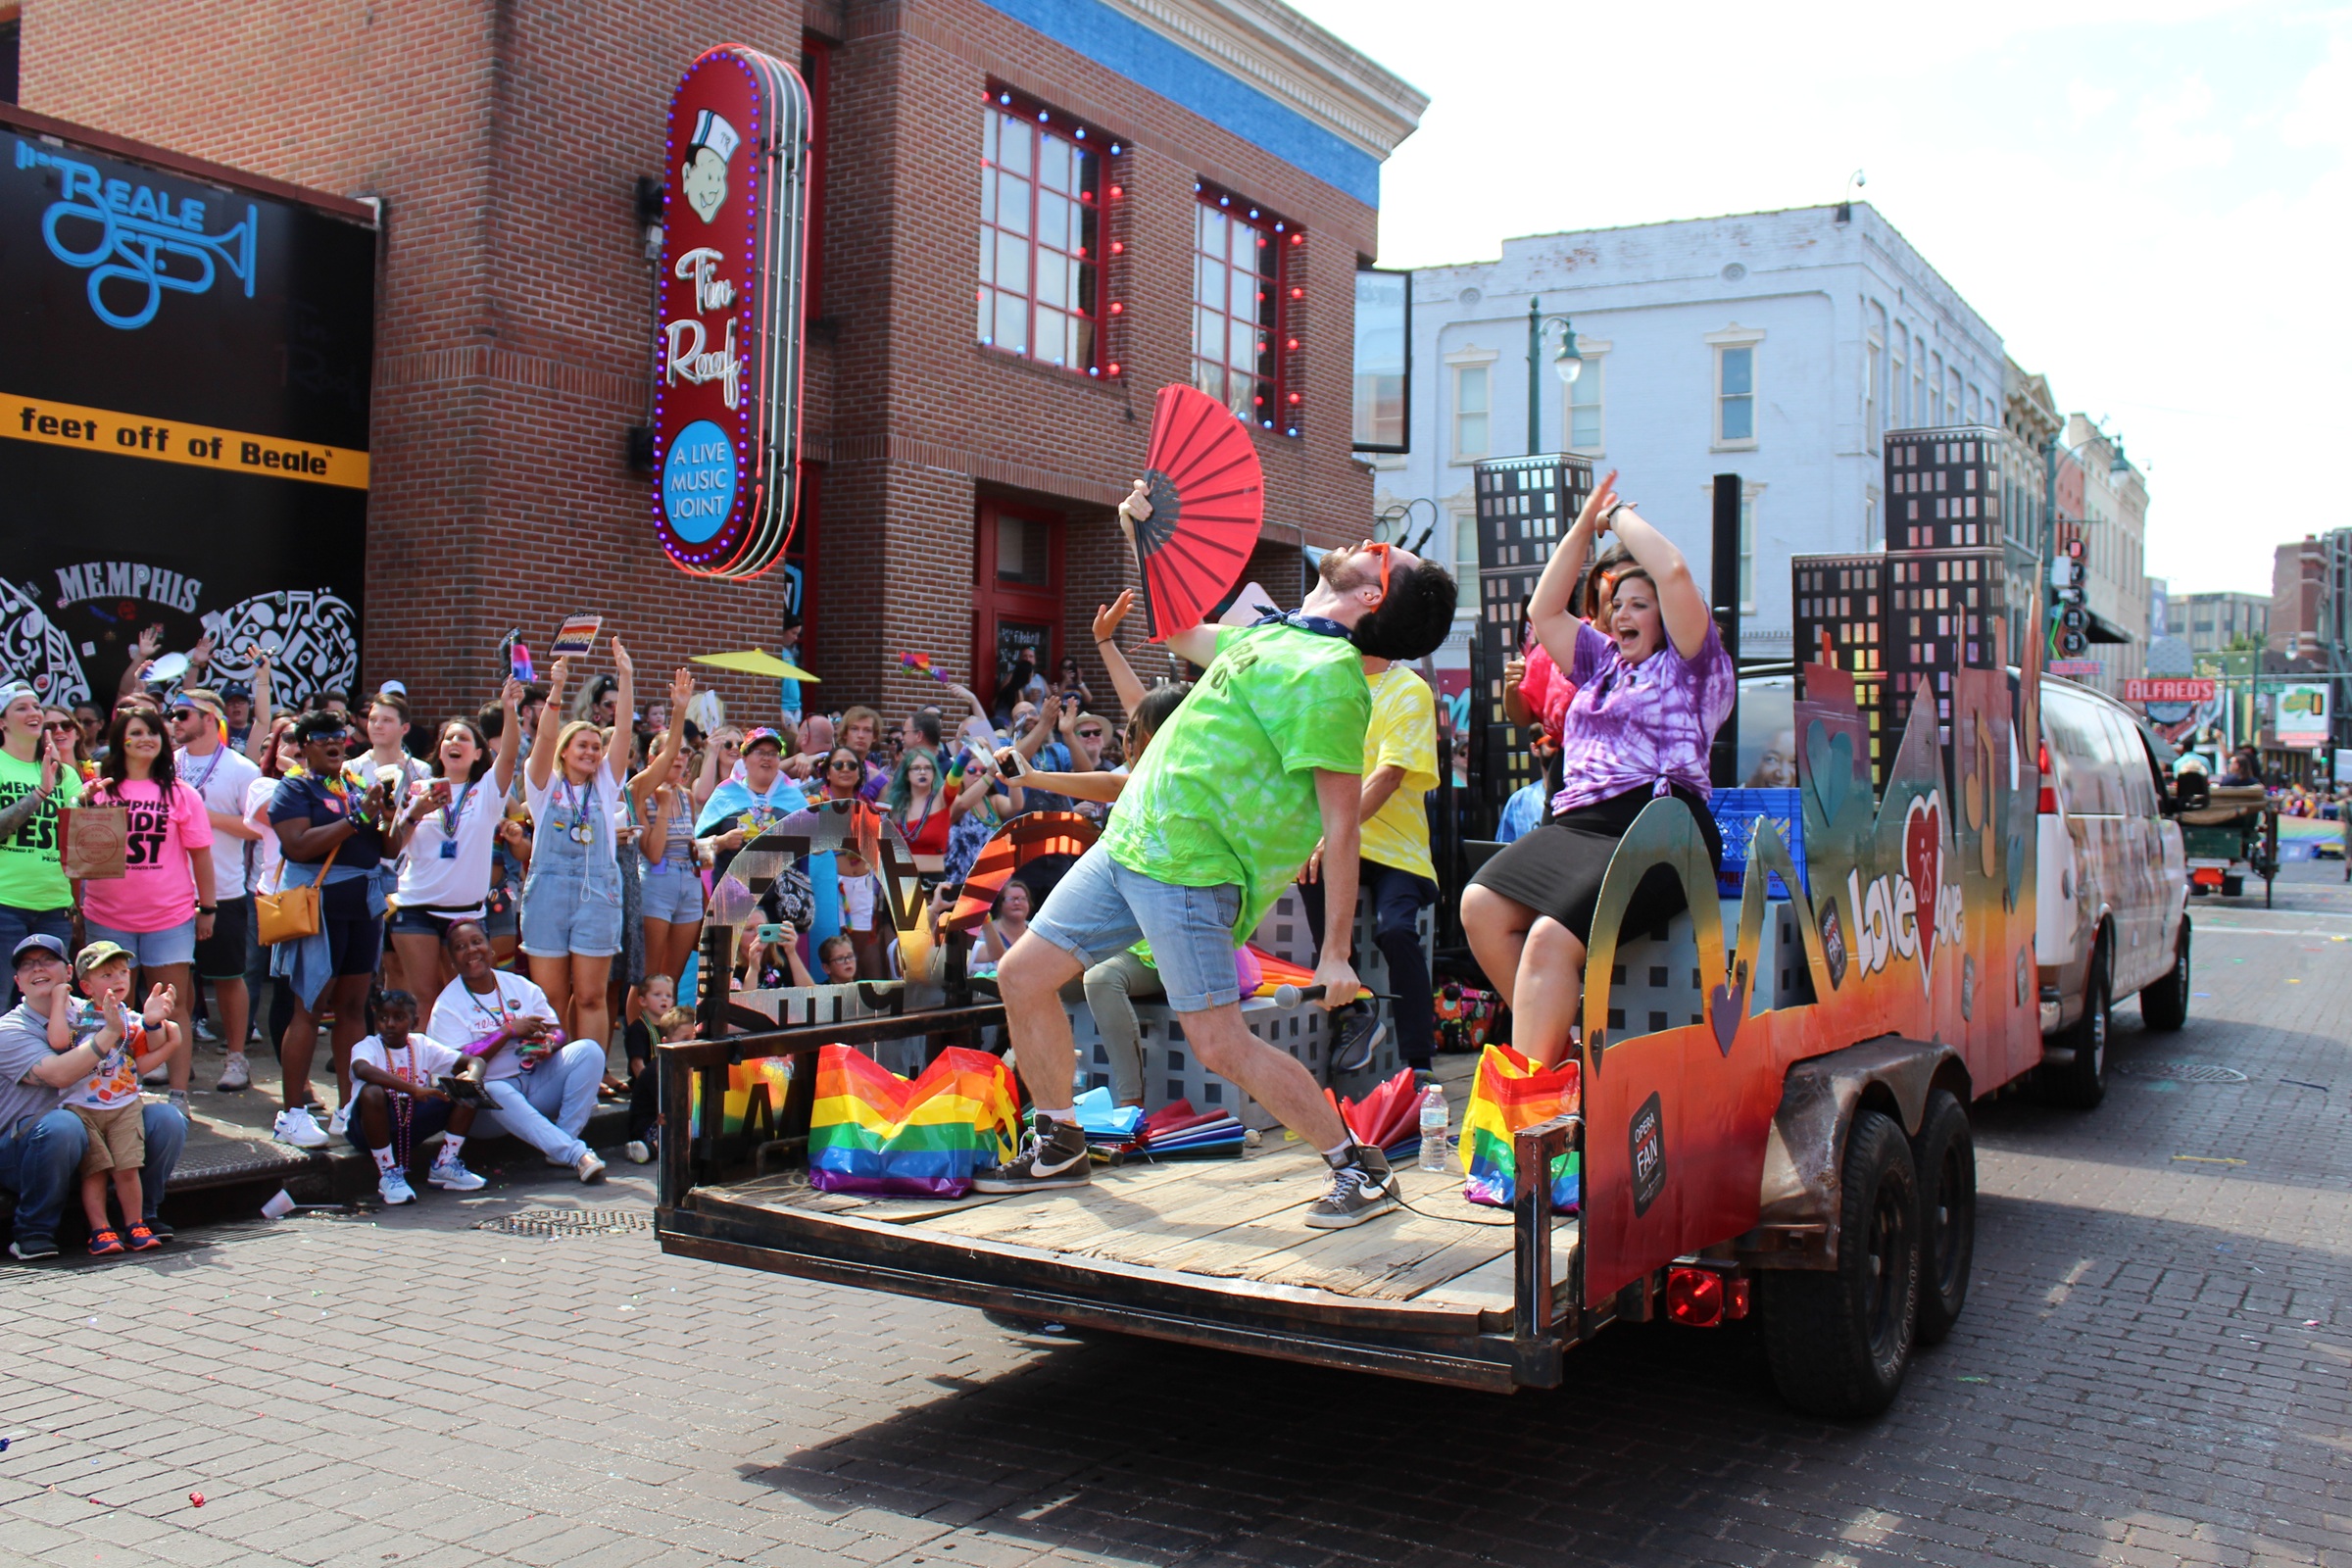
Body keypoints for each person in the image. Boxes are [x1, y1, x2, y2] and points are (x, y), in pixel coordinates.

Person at [983, 497, 1458, 1230]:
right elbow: (1176, 627)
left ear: (1375, 595)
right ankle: (1059, 1140)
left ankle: (1354, 1166)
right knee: (1020, 976)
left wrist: (1335, 955)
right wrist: (1145, 534)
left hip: (1190, 872)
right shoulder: (1270, 636)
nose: (1370, 540)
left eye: (1388, 554)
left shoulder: (1330, 677)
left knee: (1218, 1043)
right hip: (1129, 843)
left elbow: (1340, 826)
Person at [1462, 471, 1736, 1070]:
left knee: (1549, 940)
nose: (1623, 614)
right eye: (1617, 605)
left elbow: (1676, 573)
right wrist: (1583, 524)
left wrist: (1616, 519)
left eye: (1640, 605)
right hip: (1579, 826)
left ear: (1667, 617)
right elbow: (1543, 608)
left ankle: (1532, 1106)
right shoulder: (1601, 663)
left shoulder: (1692, 666)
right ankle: (1560, 1058)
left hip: (1659, 828)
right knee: (1480, 904)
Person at [0, 934, 187, 1261]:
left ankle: (140, 1219)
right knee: (63, 1125)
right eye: (27, 965)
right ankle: (33, 1231)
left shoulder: (99, 1008)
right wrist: (108, 1034)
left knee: (167, 1118)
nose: (38, 969)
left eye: (47, 960)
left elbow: (139, 1057)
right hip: (27, 1151)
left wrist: (155, 1024)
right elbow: (59, 1073)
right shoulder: (9, 1029)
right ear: (18, 982)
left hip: (99, 1133)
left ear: (69, 973)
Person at [268, 709, 407, 1148]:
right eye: (322, 736)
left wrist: (391, 814)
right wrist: (354, 820)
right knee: (308, 1008)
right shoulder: (294, 787)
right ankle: (291, 1112)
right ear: (304, 746)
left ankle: (348, 1107)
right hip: (319, 906)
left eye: (339, 735)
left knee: (352, 1008)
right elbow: (297, 845)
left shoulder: (357, 786)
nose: (334, 742)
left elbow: (388, 845)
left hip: (362, 907)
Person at [1298, 655, 1443, 1080]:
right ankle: (1357, 1012)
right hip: (1337, 842)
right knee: (1308, 868)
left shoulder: (1408, 689)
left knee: (1395, 929)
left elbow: (1389, 776)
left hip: (1398, 851)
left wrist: (1332, 834)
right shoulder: (1322, 681)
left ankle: (1421, 1065)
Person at [76, 708, 213, 1111]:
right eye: (136, 733)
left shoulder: (181, 793)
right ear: (121, 740)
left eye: (154, 733)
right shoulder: (98, 791)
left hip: (169, 917)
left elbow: (201, 856)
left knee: (175, 1006)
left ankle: (179, 1094)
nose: (146, 740)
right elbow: (79, 855)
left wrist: (209, 907)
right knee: (110, 1010)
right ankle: (117, 1093)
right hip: (106, 916)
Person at [518, 645, 638, 1054]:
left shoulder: (605, 786)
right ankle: (552, 1074)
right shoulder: (542, 786)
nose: (590, 751)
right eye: (581, 745)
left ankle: (587, 1079)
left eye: (594, 746)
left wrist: (626, 677)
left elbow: (622, 732)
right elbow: (545, 733)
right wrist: (557, 687)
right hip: (548, 895)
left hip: (597, 894)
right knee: (549, 999)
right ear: (564, 751)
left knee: (590, 996)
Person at [428, 920, 605, 1181]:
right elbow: (457, 1062)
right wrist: (507, 1032)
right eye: (460, 947)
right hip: (484, 1109)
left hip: (532, 1082)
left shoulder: (519, 985)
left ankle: (562, 1140)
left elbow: (557, 1031)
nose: (471, 950)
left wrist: (547, 1044)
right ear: (452, 962)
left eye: (477, 942)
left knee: (589, 1051)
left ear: (490, 950)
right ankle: (575, 1154)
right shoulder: (447, 1005)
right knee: (496, 1088)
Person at [387, 682, 527, 1004]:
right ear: (440, 750)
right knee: (423, 998)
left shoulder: (488, 791)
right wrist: (416, 812)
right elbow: (393, 845)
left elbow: (508, 756)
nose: (454, 741)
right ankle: (425, 1056)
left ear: (478, 753)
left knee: (462, 999)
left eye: (463, 738)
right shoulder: (417, 788)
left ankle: (459, 1056)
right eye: (448, 737)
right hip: (415, 908)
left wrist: (509, 709)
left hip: (465, 915)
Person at [48, 944, 178, 1253]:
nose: (119, 979)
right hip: (83, 1108)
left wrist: (153, 1021)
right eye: (107, 974)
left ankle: (135, 1223)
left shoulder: (129, 1017)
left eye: (123, 972)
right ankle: (100, 1230)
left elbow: (149, 1054)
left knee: (127, 1168)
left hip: (124, 1106)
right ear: (86, 986)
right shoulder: (76, 1014)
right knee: (95, 1170)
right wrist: (57, 1000)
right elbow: (56, 1041)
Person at [167, 688, 264, 1091]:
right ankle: (175, 1057)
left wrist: (204, 817)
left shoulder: (242, 769)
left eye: (183, 714)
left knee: (227, 977)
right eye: (172, 714)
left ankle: (236, 1057)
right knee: (177, 980)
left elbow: (256, 827)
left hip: (223, 889)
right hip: (171, 890)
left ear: (210, 718)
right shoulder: (168, 764)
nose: (174, 721)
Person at [345, 988, 486, 1204]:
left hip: (410, 1122)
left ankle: (446, 1164)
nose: (389, 1024)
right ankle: (388, 1173)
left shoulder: (422, 1044)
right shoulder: (367, 1046)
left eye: (399, 1017)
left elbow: (475, 1061)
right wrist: (413, 1089)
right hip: (368, 1128)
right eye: (383, 1018)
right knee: (372, 1092)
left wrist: (473, 1077)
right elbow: (361, 1070)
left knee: (466, 1085)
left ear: (414, 1021)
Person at [0, 682, 80, 1007]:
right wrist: (39, 794)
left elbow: (79, 845)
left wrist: (97, 809)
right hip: (5, 903)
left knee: (49, 1003)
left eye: (36, 706)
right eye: (21, 708)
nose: (34, 713)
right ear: (2, 722)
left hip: (54, 907)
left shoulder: (65, 773)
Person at [630, 672, 705, 987]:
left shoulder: (686, 797)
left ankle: (665, 1035)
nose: (679, 758)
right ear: (653, 758)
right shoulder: (642, 795)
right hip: (656, 883)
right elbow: (654, 852)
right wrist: (661, 807)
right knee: (649, 977)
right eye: (673, 753)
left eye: (685, 753)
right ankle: (640, 1037)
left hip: (688, 881)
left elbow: (691, 844)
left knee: (670, 979)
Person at [692, 724, 806, 880]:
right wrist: (722, 842)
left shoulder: (795, 798)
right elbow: (697, 857)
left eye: (773, 753)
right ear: (744, 759)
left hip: (784, 899)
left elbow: (817, 855)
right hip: (733, 897)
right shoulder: (724, 795)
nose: (767, 757)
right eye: (759, 752)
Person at [623, 1003, 699, 1165]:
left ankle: (657, 1147)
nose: (692, 1043)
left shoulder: (688, 1065)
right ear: (666, 1042)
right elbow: (673, 1111)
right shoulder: (659, 1070)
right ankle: (650, 1147)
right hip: (647, 1126)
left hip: (667, 1119)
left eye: (695, 1038)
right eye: (685, 1039)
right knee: (678, 1127)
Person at [882, 747, 953, 868]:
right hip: (900, 878)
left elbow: (954, 780)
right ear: (906, 774)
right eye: (916, 768)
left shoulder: (942, 798)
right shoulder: (897, 806)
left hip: (935, 879)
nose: (922, 772)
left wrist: (964, 754)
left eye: (928, 768)